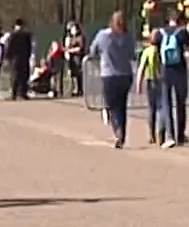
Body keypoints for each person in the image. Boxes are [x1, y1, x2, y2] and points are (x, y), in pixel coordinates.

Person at [88, 11, 138, 148]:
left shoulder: (103, 35)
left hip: (109, 75)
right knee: (122, 106)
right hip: (125, 74)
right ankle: (121, 132)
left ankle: (117, 131)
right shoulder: (127, 37)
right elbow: (132, 55)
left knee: (113, 105)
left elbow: (92, 51)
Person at [155, 10, 189, 147]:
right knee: (180, 103)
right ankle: (180, 135)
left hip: (165, 70)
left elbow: (154, 49)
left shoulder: (160, 33)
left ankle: (169, 135)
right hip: (180, 70)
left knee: (166, 103)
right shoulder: (182, 32)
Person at [139, 31, 165, 146]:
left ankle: (151, 135)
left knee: (151, 109)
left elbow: (142, 68)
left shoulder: (147, 51)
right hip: (162, 81)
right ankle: (161, 134)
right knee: (162, 108)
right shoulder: (161, 51)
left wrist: (138, 84)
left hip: (150, 81)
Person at [5, 20, 35, 101]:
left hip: (16, 58)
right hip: (23, 58)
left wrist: (8, 57)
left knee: (16, 76)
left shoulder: (13, 35)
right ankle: (22, 94)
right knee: (23, 76)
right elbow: (29, 47)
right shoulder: (27, 35)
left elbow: (9, 47)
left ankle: (15, 94)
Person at [62, 21, 85, 97]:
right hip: (72, 58)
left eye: (73, 28)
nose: (72, 30)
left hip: (78, 57)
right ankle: (74, 89)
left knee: (78, 74)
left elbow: (80, 48)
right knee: (73, 74)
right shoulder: (71, 38)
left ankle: (79, 89)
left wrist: (70, 50)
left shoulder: (80, 37)